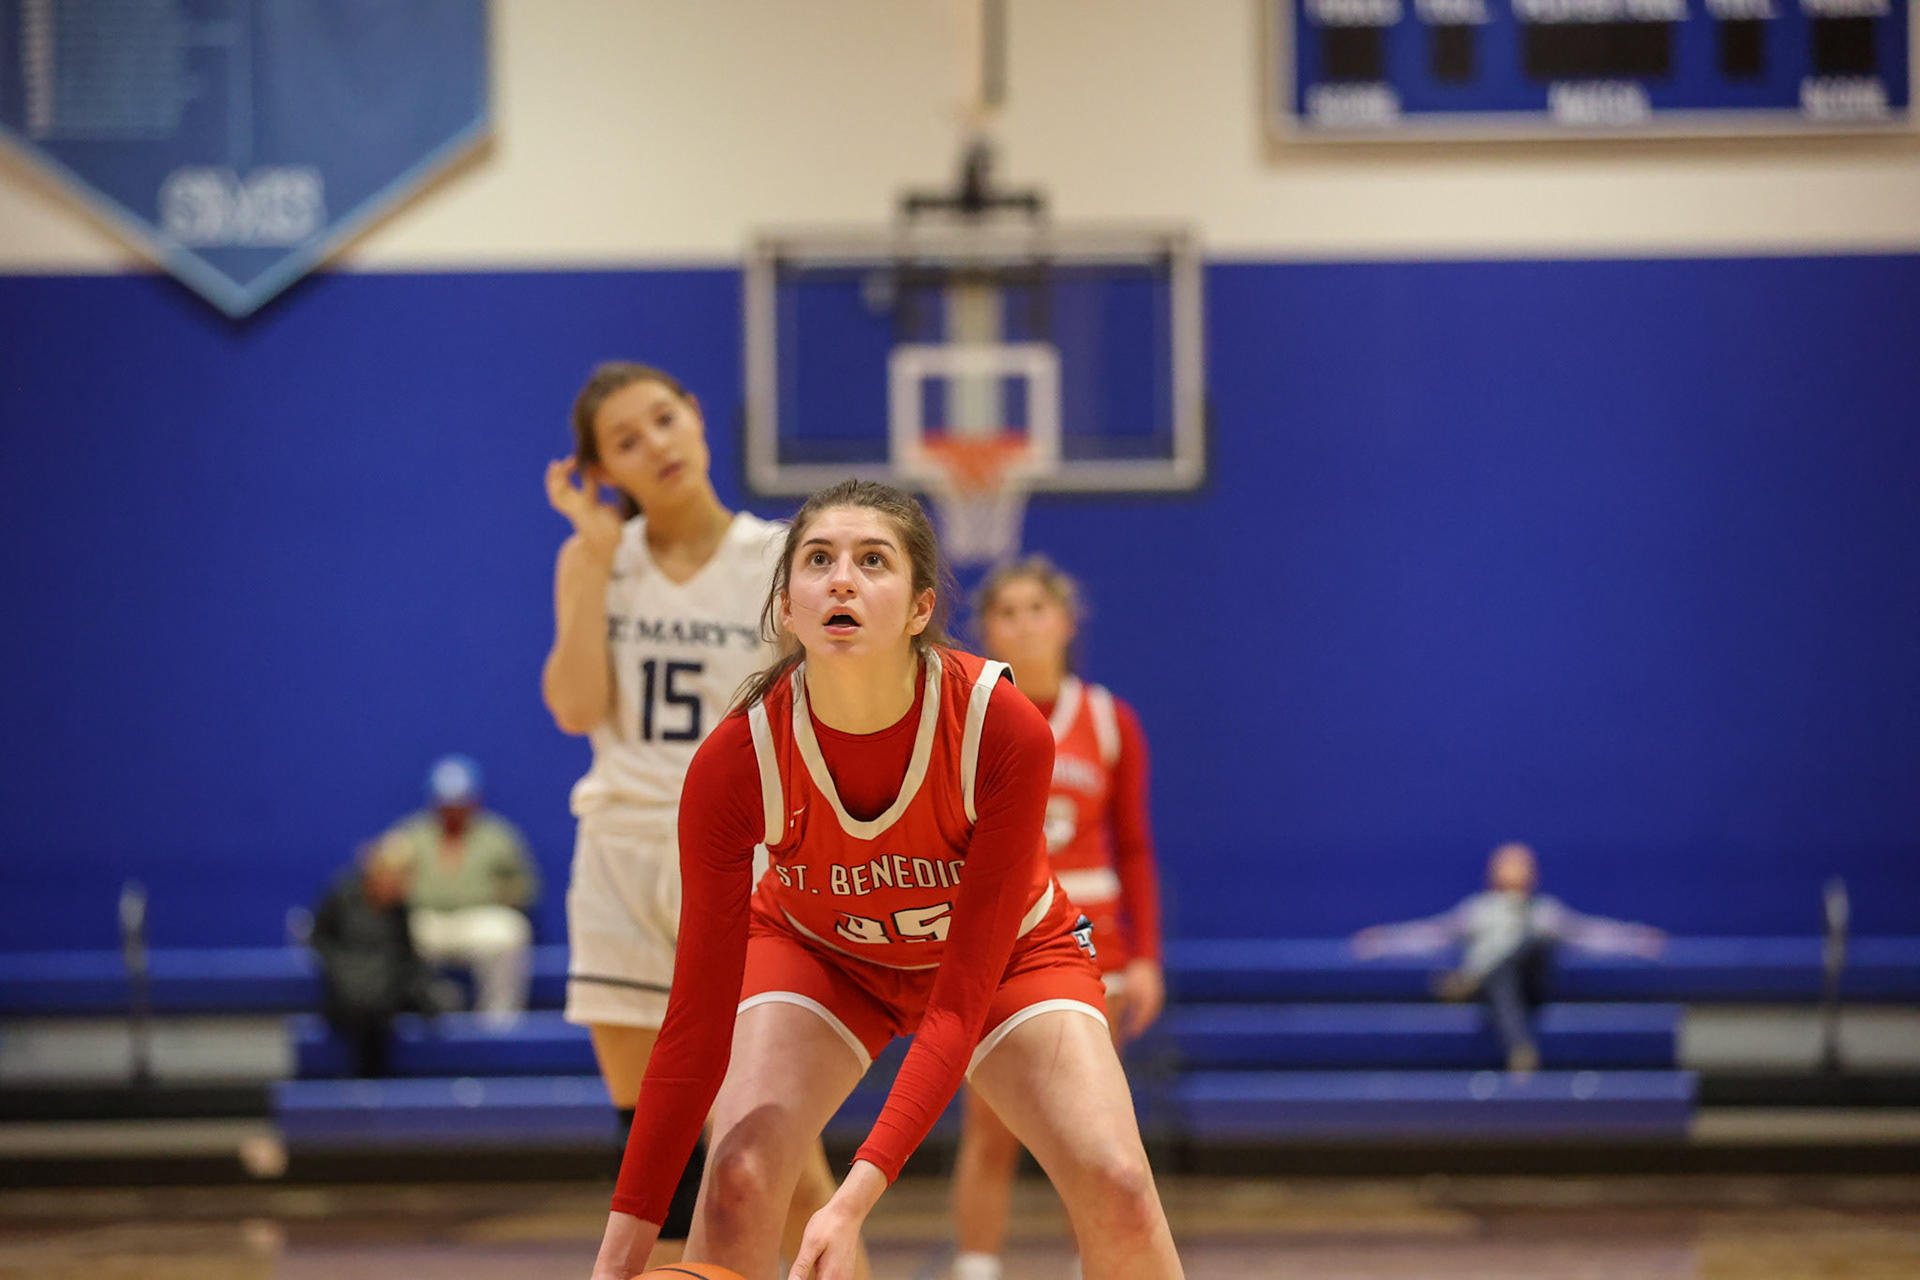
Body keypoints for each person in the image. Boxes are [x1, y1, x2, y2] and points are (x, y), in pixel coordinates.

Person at [589, 479, 1185, 1280]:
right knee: (735, 1182)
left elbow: (960, 997)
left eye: (873, 560)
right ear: (785, 610)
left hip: (1008, 961)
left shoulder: (1000, 726)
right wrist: (616, 1256)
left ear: (918, 609)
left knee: (1118, 1185)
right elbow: (692, 1030)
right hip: (820, 952)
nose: (842, 578)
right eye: (818, 560)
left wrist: (853, 1198)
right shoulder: (736, 761)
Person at [543, 363, 861, 1272]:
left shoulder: (777, 557)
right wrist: (597, 559)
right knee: (655, 1157)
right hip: (616, 857)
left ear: (699, 420)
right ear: (604, 471)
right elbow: (573, 707)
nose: (656, 446)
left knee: (774, 1153)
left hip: (737, 858)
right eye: (625, 443)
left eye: (664, 418)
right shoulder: (597, 558)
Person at [948, 556, 1166, 1280]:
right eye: (1005, 613)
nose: (1022, 624)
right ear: (985, 628)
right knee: (991, 1125)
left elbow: (1133, 847)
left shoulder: (1108, 719)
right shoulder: (969, 717)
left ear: (1066, 622)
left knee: (1097, 1131)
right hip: (1003, 941)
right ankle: (977, 1266)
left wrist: (1145, 957)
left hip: (1094, 943)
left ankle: (1096, 1262)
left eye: (1035, 610)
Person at [1351, 841, 1666, 1072]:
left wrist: (1635, 939)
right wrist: (1385, 940)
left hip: (1531, 984)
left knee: (1534, 940)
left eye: (1521, 864)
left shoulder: (1545, 911)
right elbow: (1431, 933)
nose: (1514, 870)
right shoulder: (1477, 910)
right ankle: (1519, 1048)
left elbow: (1590, 934)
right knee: (1501, 977)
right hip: (1500, 987)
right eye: (1507, 863)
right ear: (1493, 872)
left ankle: (1471, 978)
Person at [377, 754, 541, 1026]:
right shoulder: (411, 835)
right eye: (447, 803)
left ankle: (499, 1022)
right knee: (390, 932)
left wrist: (502, 896)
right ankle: (411, 1015)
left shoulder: (497, 836)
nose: (454, 809)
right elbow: (383, 876)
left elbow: (525, 885)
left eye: (460, 802)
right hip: (425, 920)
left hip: (476, 919)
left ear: (474, 801)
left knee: (510, 931)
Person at [309, 840, 445, 1077]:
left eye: (405, 878)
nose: (400, 884)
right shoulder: (341, 899)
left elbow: (407, 957)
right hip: (349, 994)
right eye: (396, 876)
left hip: (386, 996)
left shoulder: (400, 910)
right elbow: (321, 942)